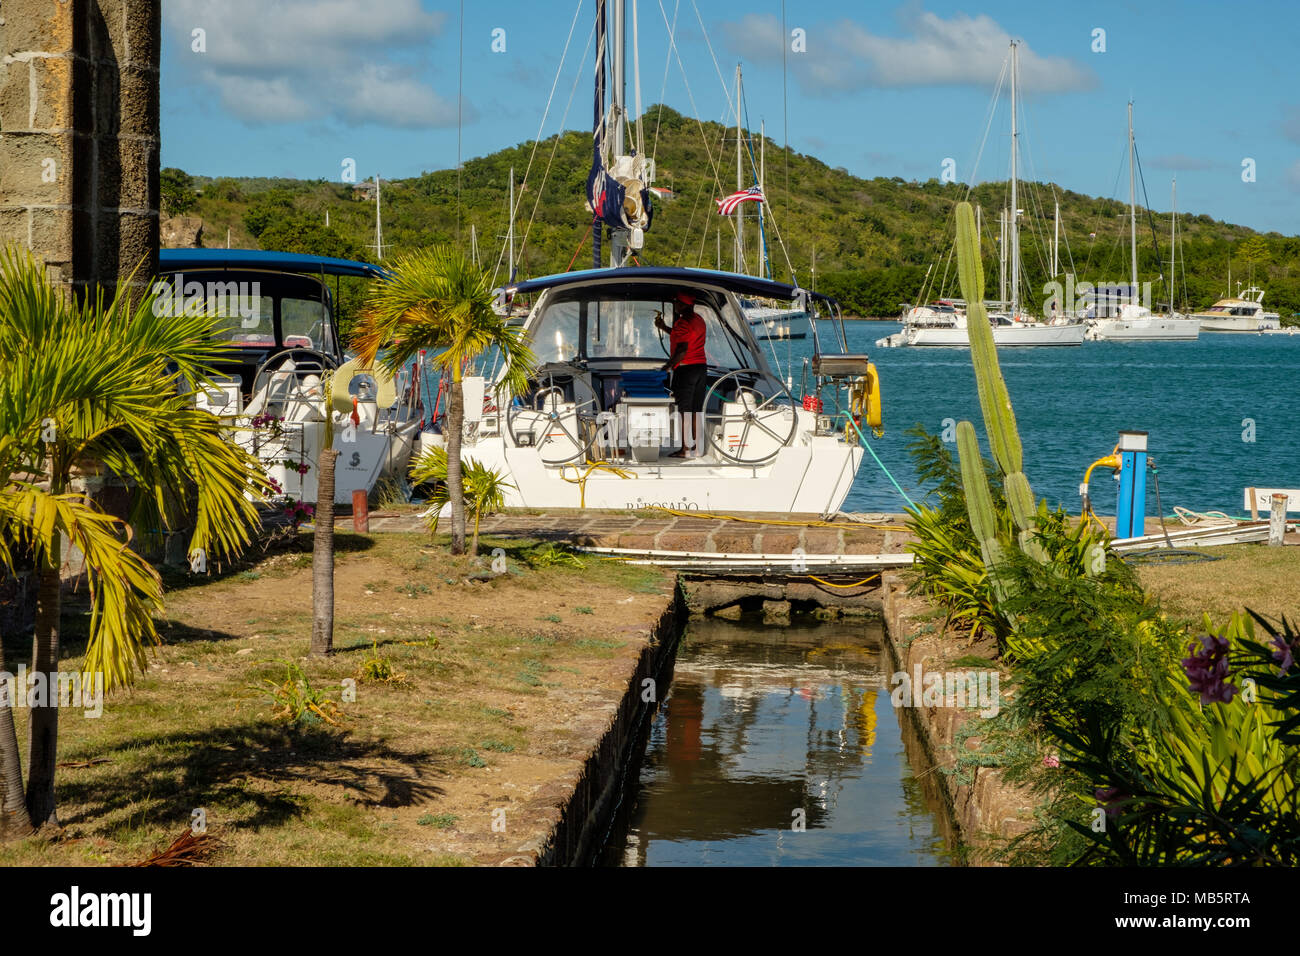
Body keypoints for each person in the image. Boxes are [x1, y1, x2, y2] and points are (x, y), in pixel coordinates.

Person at [654, 290, 707, 457]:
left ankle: (685, 450)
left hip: (686, 369)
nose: (675, 305)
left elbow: (682, 349)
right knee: (696, 409)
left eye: (677, 302)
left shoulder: (683, 323)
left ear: (684, 304)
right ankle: (696, 448)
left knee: (684, 410)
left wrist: (668, 366)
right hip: (701, 368)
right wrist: (664, 328)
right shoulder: (698, 320)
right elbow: (683, 337)